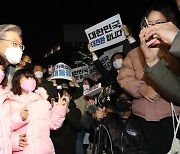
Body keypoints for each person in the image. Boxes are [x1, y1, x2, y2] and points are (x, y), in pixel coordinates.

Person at [117, 3, 180, 154]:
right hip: (145, 115)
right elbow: (123, 77)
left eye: (159, 23)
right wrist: (141, 88)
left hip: (172, 114)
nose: (154, 28)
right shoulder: (134, 54)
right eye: (150, 24)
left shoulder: (175, 50)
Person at [9, 68, 67, 154]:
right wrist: (15, 141)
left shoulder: (42, 102)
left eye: (32, 78)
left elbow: (54, 124)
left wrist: (59, 108)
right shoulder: (10, 102)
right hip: (24, 150)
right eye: (27, 78)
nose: (31, 80)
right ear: (17, 81)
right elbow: (4, 129)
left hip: (44, 150)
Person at [50, 88, 82, 154]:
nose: (64, 96)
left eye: (67, 95)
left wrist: (67, 110)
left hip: (68, 145)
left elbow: (78, 126)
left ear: (70, 97)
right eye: (63, 95)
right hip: (55, 144)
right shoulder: (55, 109)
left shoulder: (76, 111)